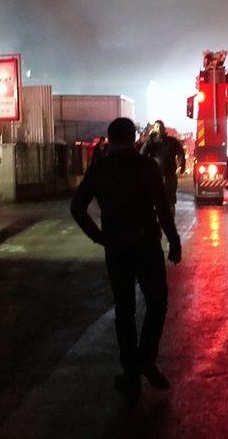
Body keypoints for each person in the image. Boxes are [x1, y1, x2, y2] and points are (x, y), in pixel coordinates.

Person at [71, 117, 182, 400]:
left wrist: (98, 237)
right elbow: (161, 206)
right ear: (134, 138)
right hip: (146, 245)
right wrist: (174, 240)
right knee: (157, 303)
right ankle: (146, 358)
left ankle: (131, 371)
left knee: (125, 310)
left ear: (109, 138)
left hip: (116, 248)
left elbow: (77, 207)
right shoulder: (145, 166)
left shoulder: (100, 168)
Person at [141, 120, 186, 214]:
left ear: (164, 129)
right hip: (155, 177)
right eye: (157, 127)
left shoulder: (171, 141)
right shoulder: (151, 142)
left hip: (169, 176)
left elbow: (181, 152)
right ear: (153, 129)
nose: (159, 128)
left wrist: (181, 165)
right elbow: (142, 154)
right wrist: (149, 138)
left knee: (170, 201)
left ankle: (170, 222)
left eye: (161, 127)